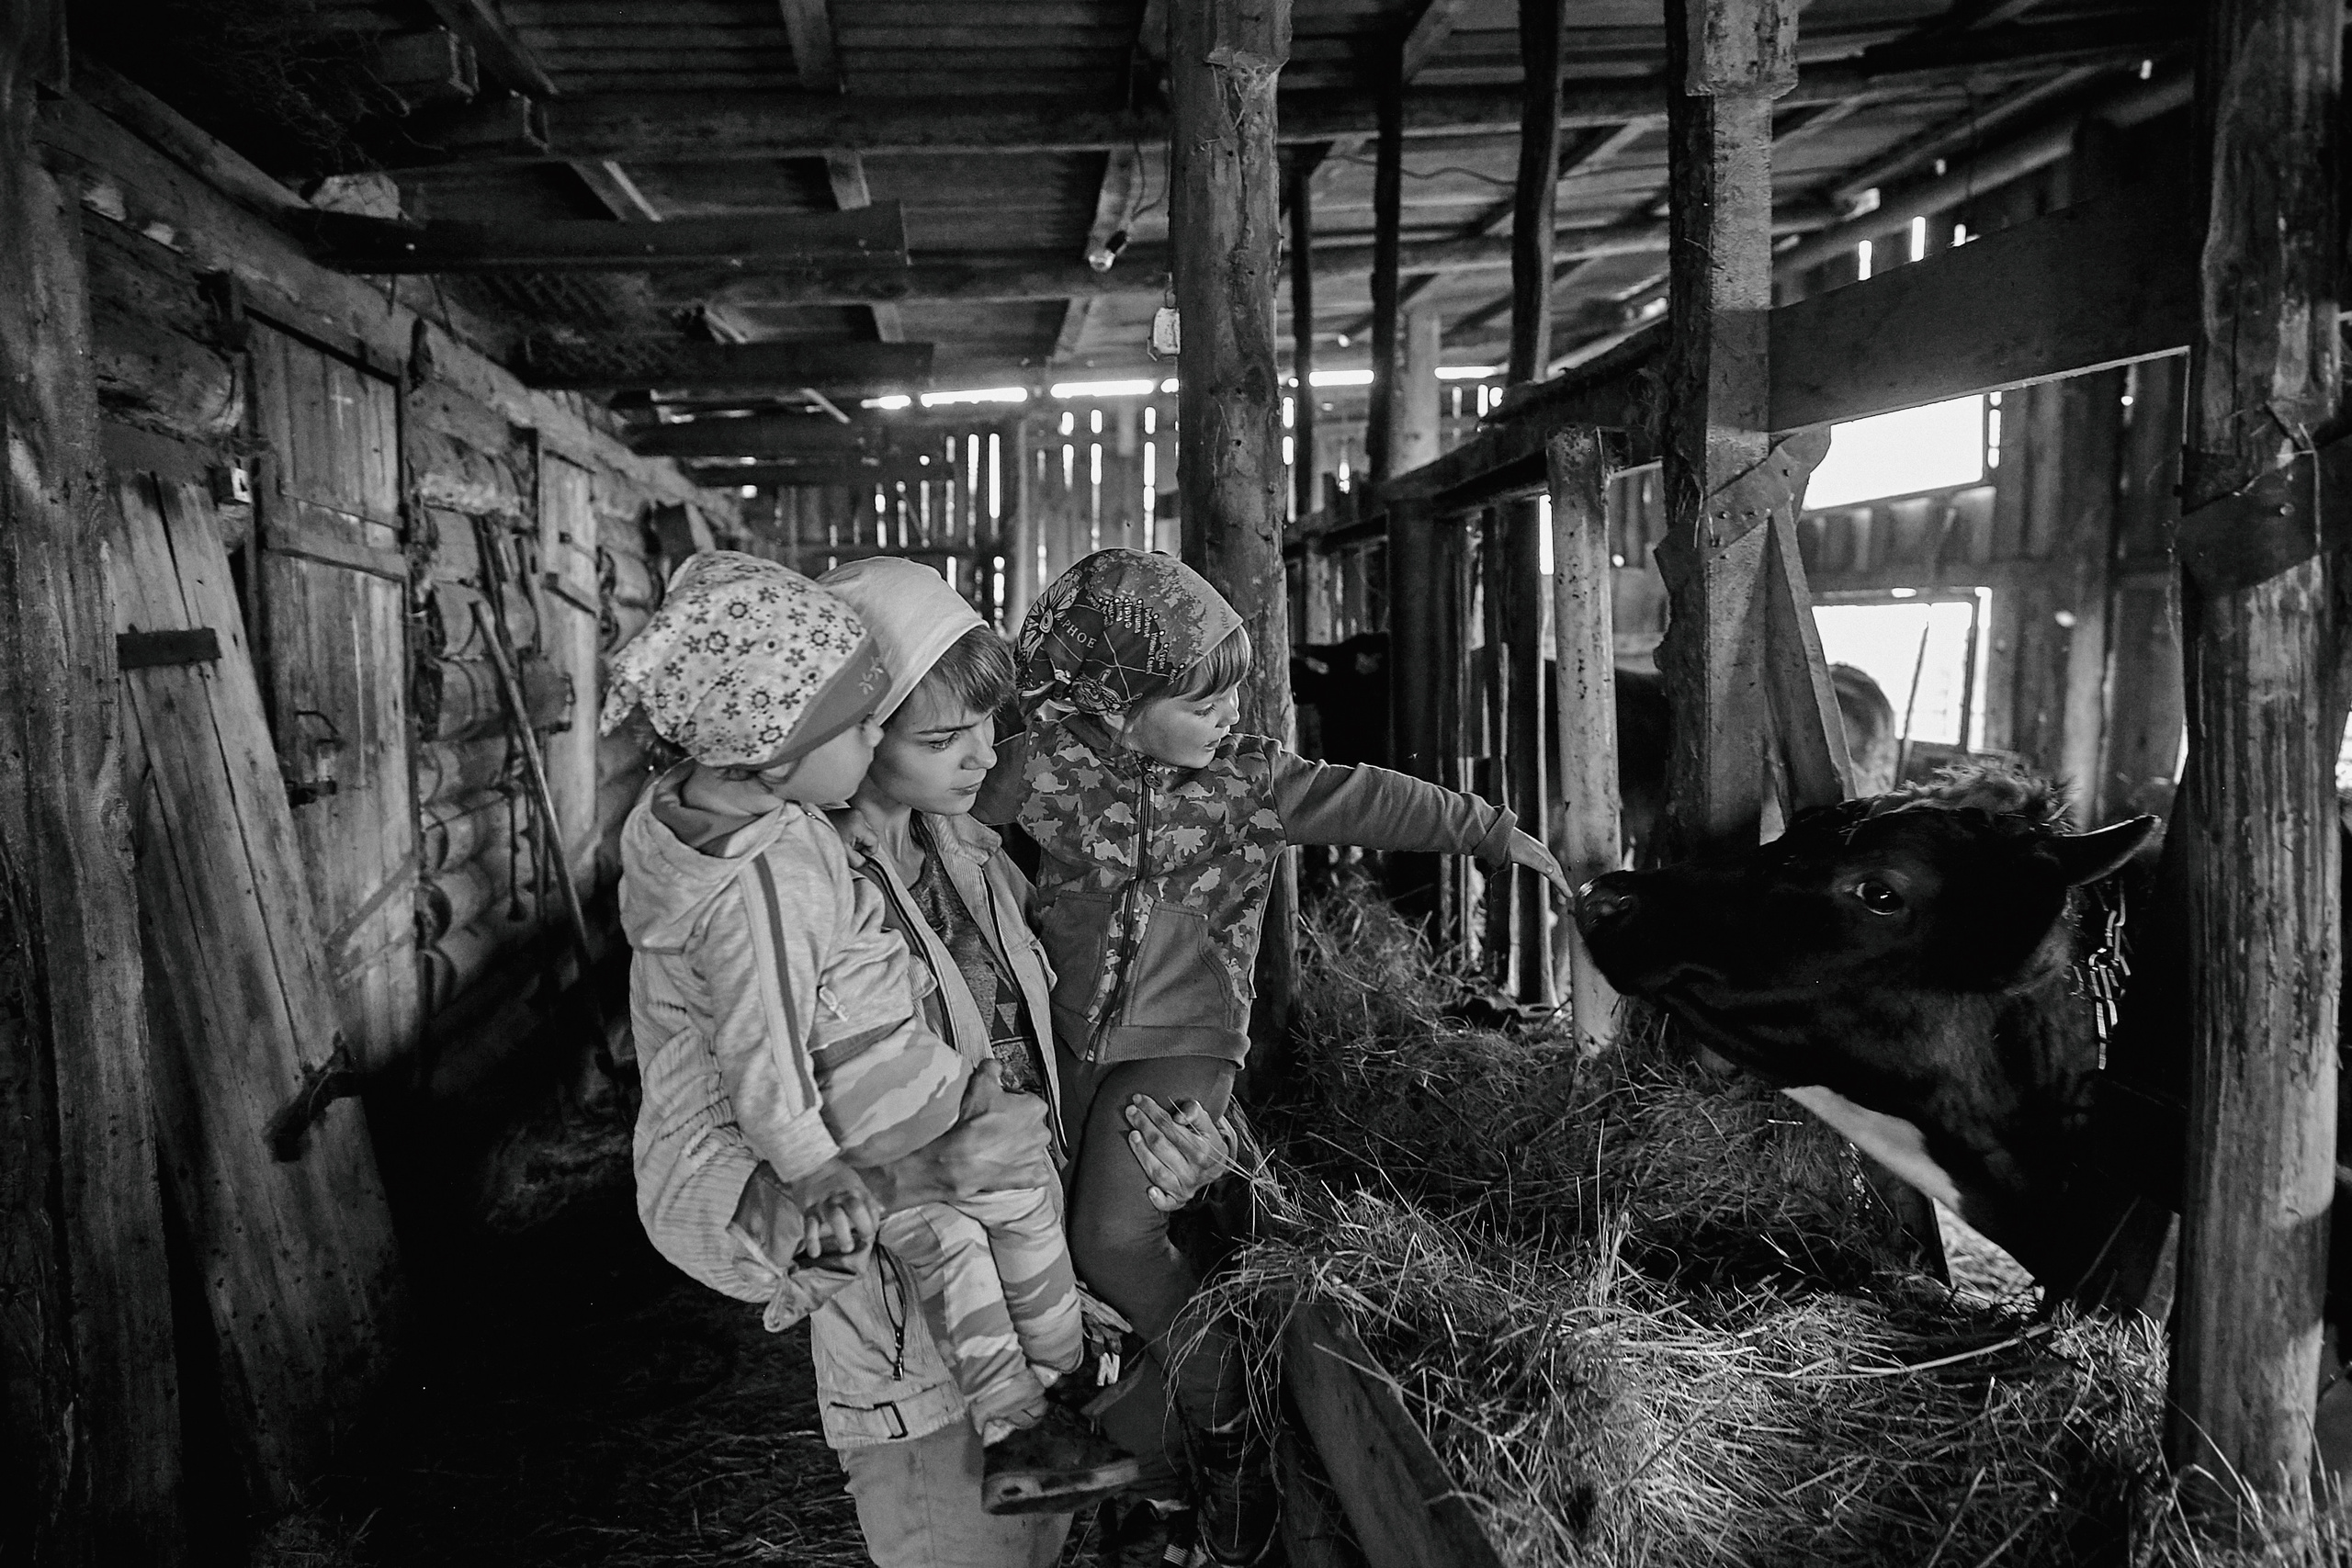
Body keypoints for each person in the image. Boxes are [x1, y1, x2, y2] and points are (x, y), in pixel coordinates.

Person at [624, 554, 1231, 1568]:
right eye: (934, 734)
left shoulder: (973, 855)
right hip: (919, 1394)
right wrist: (916, 1179)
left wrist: (1172, 1151)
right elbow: (691, 1206)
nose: (983, 757)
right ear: (837, 726)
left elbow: (1050, 1066)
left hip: (1047, 1341)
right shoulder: (744, 906)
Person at [983, 548, 1572, 1565]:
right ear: (1116, 704)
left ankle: (1223, 1413)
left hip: (1187, 1049)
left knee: (1110, 1240)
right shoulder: (1045, 768)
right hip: (1067, 1039)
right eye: (1202, 698)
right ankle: (1150, 1423)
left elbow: (1369, 797)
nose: (1227, 715)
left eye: (1233, 695)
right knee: (1068, 1232)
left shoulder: (1250, 779)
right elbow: (936, 805)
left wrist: (1487, 829)